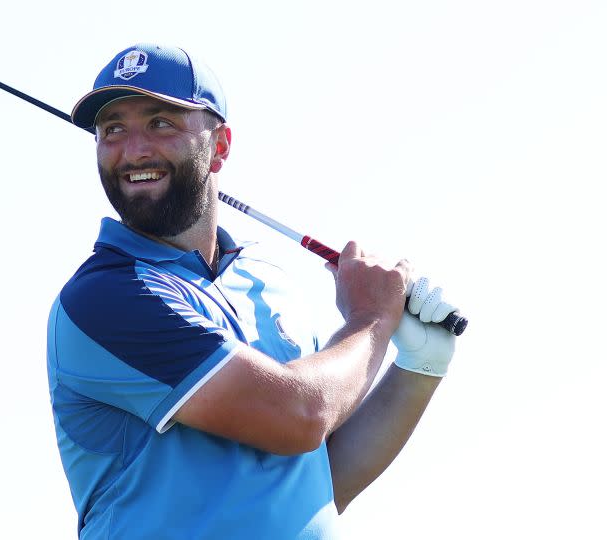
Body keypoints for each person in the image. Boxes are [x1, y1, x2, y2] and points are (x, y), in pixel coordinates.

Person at [46, 44, 458, 540]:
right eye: (113, 130)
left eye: (160, 123)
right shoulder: (106, 298)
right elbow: (299, 415)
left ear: (220, 146)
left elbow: (318, 484)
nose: (134, 150)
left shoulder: (269, 285)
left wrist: (419, 367)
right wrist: (370, 321)